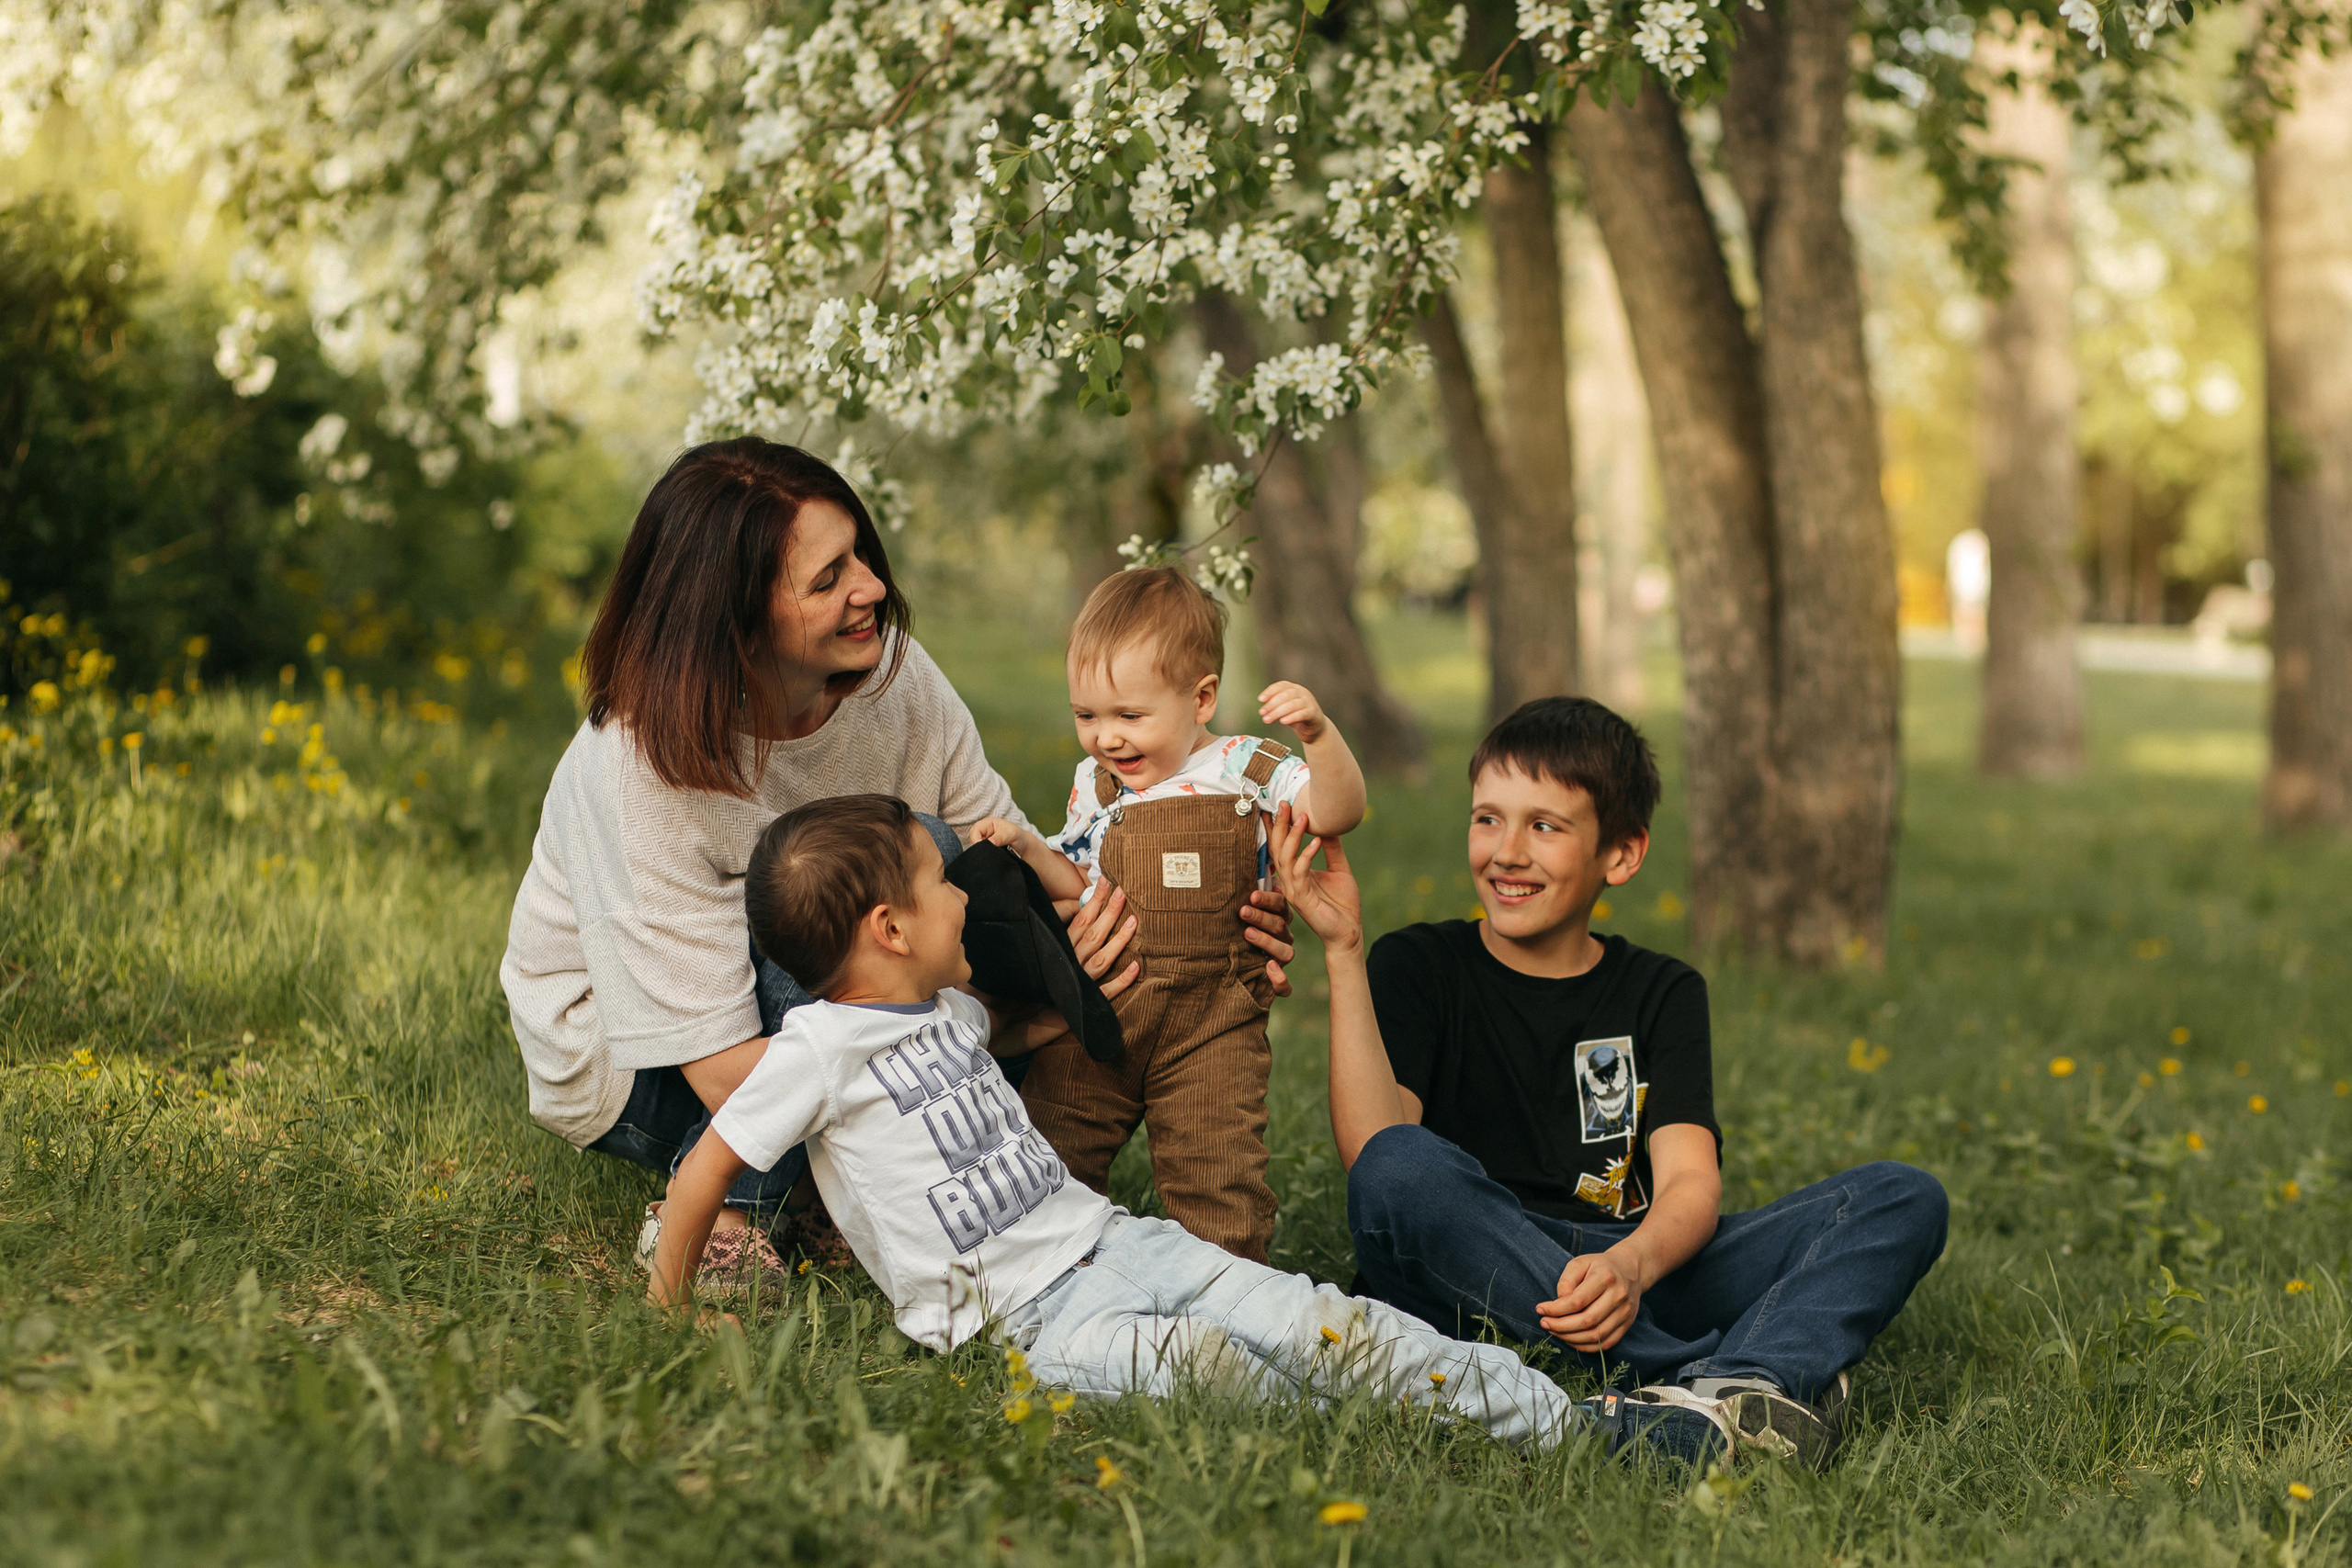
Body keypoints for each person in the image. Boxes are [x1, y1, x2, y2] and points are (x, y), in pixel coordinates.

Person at [647, 794, 1727, 1464]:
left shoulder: (950, 1010)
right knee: (1220, 1373)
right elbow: (704, 1174)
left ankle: (1580, 1428)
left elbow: (1074, 992)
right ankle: (1391, 1441)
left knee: (1325, 1325)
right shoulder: (817, 1053)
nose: (964, 901)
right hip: (1028, 1326)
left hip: (1124, 1241)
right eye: (940, 887)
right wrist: (672, 1313)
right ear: (887, 930)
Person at [497, 441, 1298, 1282]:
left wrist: (1202, 927)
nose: (871, 588)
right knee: (827, 884)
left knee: (943, 858)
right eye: (828, 577)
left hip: (842, 1011)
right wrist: (988, 1027)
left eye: (861, 557)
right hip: (645, 1066)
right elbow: (732, 1075)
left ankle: (844, 1193)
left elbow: (1008, 885)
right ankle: (738, 1216)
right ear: (735, 627)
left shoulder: (892, 674)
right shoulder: (636, 768)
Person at [1269, 697, 1950, 1471]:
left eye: (1545, 826)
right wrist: (1344, 952)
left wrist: (1632, 1266)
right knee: (1402, 1164)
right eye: (1487, 818)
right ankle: (1719, 1374)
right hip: (1473, 1260)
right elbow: (1375, 1152)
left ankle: (1723, 1383)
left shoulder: (1662, 990)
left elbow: (1691, 1183)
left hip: (1628, 1263)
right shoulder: (1420, 964)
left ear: (1620, 857)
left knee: (1902, 1195)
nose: (1507, 852)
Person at [966, 568, 1367, 1261]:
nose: (1106, 739)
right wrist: (1029, 847)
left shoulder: (1245, 763)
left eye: (1130, 716)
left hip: (1213, 1017)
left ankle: (1227, 1292)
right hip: (1104, 1004)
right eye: (1086, 715)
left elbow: (1337, 811)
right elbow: (1081, 876)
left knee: (1218, 1171)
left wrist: (1320, 735)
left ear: (1201, 697)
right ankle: (1039, 1264)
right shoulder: (1095, 783)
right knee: (1052, 1136)